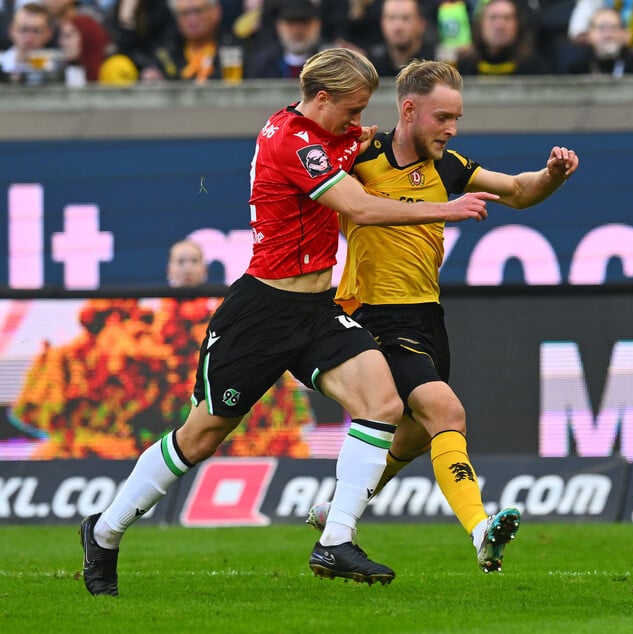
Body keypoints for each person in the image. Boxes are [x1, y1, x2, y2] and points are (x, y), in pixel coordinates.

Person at [78, 47, 497, 596]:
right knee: (201, 436)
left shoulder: (330, 134)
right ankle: (105, 532)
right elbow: (362, 206)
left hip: (318, 312)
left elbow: (361, 143)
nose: (356, 120)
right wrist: (446, 209)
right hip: (262, 312)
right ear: (321, 98)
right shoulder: (290, 140)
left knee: (384, 404)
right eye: (350, 109)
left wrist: (378, 134)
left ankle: (336, 539)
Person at [307, 59, 579, 573]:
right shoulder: (361, 155)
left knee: (412, 434)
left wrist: (552, 175)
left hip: (428, 316)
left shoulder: (447, 165)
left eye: (457, 118)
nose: (452, 128)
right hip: (375, 316)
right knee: (446, 413)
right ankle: (481, 531)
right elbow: (310, 175)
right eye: (442, 117)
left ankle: (337, 508)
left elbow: (518, 191)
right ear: (408, 110)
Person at [455, 0, 551, 75]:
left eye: (507, 18)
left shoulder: (534, 66)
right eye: (493, 18)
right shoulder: (465, 66)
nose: (500, 25)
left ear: (518, 25)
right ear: (480, 25)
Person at [244, 0, 327, 78]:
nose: (298, 29)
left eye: (305, 23)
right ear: (279, 27)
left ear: (317, 25)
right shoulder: (260, 66)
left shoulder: (329, 64)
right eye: (291, 23)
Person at [563, 6, 633, 75]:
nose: (608, 34)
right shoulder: (578, 65)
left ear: (623, 33)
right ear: (590, 34)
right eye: (601, 28)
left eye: (613, 27)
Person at [365, 0, 434, 76]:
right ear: (382, 24)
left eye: (405, 18)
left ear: (421, 24)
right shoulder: (372, 66)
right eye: (391, 18)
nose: (398, 27)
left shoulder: (435, 64)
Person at [0, 2, 55, 81]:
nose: (29, 38)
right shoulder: (1, 63)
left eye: (36, 31)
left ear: (48, 33)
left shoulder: (59, 69)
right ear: (11, 30)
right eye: (24, 30)